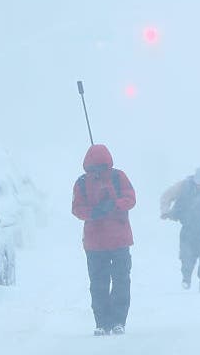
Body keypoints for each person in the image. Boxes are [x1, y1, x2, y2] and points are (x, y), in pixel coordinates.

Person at [71, 144, 137, 336]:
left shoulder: (118, 177)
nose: (98, 172)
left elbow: (130, 198)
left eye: (101, 167)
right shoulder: (82, 183)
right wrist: (94, 212)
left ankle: (118, 321)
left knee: (120, 281)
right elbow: (76, 208)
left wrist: (114, 204)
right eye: (95, 168)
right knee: (99, 283)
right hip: (95, 244)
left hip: (118, 242)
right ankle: (102, 322)